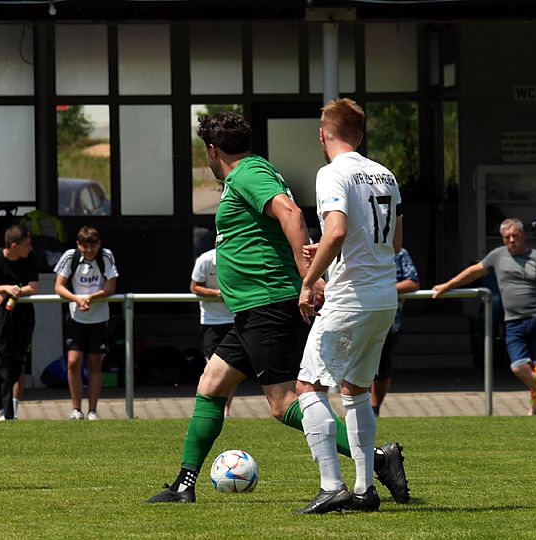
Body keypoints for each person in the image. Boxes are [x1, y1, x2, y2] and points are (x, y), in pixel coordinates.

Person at [146, 111, 408, 507]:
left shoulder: (249, 173)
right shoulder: (249, 173)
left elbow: (290, 212)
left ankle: (375, 460)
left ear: (212, 150)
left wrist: (308, 278)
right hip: (252, 309)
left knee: (285, 402)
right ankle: (184, 486)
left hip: (268, 303)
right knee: (211, 385)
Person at [295, 97, 405, 514]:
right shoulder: (385, 174)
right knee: (356, 390)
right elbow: (394, 242)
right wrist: (329, 248)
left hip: (350, 298)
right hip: (384, 298)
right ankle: (364, 489)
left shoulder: (331, 173)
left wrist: (309, 280)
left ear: (322, 135)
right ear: (359, 136)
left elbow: (337, 230)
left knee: (308, 386)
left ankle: (331, 486)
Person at [433, 218, 536, 416]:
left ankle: (535, 408)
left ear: (523, 235)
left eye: (515, 235)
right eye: (507, 237)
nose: (512, 240)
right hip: (513, 321)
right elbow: (473, 272)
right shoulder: (497, 256)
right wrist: (447, 286)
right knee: (519, 367)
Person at [54, 226, 118, 421]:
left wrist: (90, 298)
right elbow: (59, 287)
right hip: (76, 317)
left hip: (99, 318)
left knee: (95, 363)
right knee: (73, 362)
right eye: (85, 246)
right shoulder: (70, 256)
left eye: (93, 246)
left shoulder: (106, 256)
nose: (89, 250)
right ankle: (76, 409)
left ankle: (92, 410)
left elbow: (111, 287)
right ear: (78, 245)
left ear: (99, 244)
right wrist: (77, 299)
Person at [0, 224, 38, 421]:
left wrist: (10, 293)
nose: (30, 248)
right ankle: (1, 406)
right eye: (27, 244)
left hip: (23, 320)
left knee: (19, 362)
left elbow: (33, 287)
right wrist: (6, 288)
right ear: (14, 246)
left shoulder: (30, 258)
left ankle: (12, 409)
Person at [370, 248, 419, 416]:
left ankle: (374, 409)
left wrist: (384, 289)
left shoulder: (400, 253)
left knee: (382, 369)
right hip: (358, 319)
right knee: (357, 368)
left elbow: (413, 282)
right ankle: (362, 409)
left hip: (389, 323)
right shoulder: (358, 245)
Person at [190, 247, 236, 417]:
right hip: (211, 321)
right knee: (211, 368)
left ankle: (226, 409)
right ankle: (205, 409)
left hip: (235, 318)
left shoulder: (239, 257)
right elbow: (194, 287)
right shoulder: (205, 260)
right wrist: (217, 293)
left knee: (233, 368)